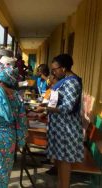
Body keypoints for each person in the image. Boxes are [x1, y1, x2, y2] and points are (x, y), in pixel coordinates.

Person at [35, 54, 84, 188]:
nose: (53, 73)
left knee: (64, 162)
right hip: (60, 128)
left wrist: (48, 108)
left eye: (55, 69)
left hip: (67, 129)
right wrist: (46, 107)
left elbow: (67, 107)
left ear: (63, 68)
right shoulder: (65, 80)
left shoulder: (72, 82)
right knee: (60, 161)